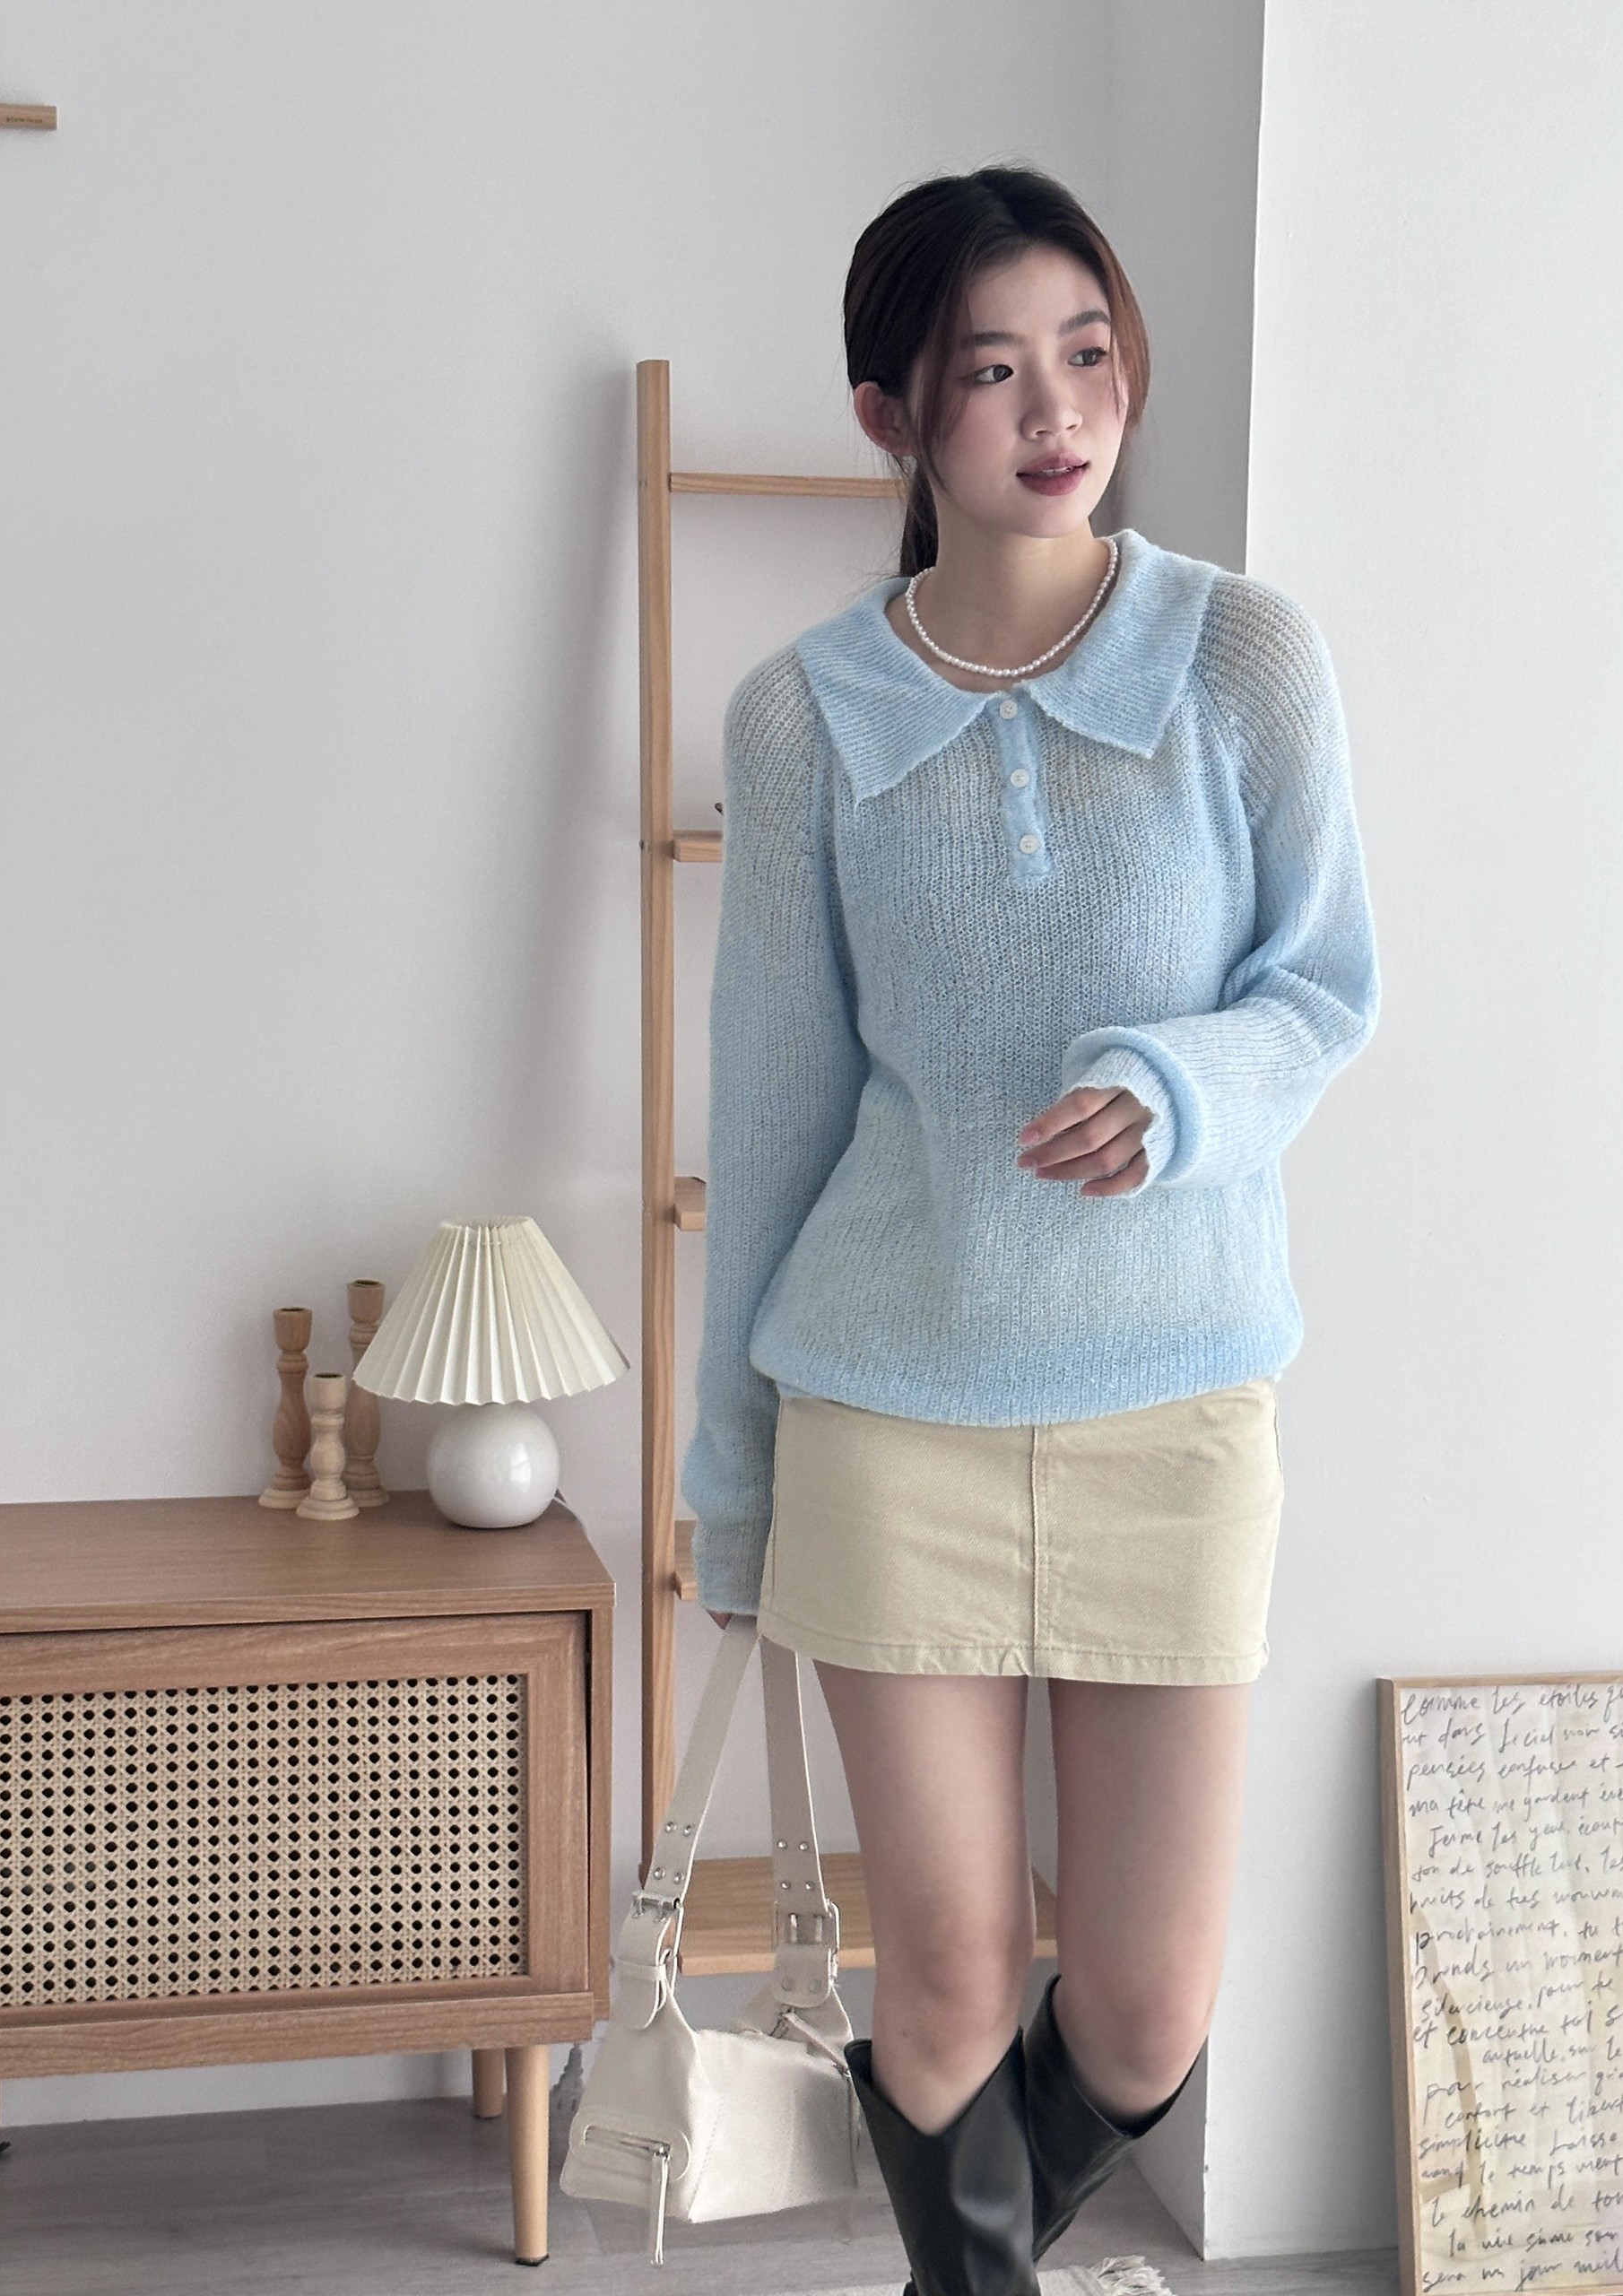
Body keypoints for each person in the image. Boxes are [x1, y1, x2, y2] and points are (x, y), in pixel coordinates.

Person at [680, 163, 1379, 2296]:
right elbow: (773, 1114)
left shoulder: (1242, 656)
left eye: (1088, 352)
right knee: (956, 1980)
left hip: (1178, 1401)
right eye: (992, 371)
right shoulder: (804, 717)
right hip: (894, 1403)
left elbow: (1324, 989)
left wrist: (1181, 1088)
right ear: (894, 417)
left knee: (1148, 2011)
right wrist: (734, 1487)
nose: (1057, 409)